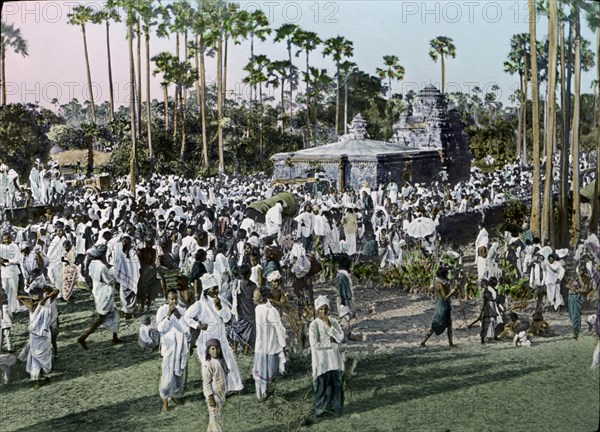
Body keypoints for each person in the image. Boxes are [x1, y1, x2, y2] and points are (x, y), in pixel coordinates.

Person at [184, 273, 244, 393]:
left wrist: (219, 307)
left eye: (217, 288)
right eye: (213, 289)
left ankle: (231, 386)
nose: (216, 291)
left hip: (220, 335)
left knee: (226, 359)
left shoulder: (221, 300)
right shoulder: (200, 305)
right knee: (212, 362)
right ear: (207, 291)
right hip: (207, 336)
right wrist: (198, 325)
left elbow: (227, 318)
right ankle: (215, 388)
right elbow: (187, 316)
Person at [77, 244, 124, 350]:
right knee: (100, 319)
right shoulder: (102, 267)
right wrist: (114, 278)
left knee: (115, 314)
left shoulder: (93, 264)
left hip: (98, 292)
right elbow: (109, 280)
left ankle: (115, 337)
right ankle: (83, 337)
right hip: (104, 294)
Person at [309, 295, 344, 417]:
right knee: (322, 384)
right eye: (321, 309)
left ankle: (336, 408)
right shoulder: (314, 325)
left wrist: (330, 329)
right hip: (321, 360)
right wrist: (330, 343)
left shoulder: (333, 321)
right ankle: (320, 409)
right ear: (317, 310)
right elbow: (315, 344)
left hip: (333, 358)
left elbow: (340, 338)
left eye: (325, 309)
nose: (323, 312)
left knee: (336, 383)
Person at [17, 286, 59, 389]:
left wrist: (40, 298)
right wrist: (43, 298)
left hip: (38, 335)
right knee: (42, 357)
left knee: (35, 357)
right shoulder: (36, 304)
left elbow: (18, 297)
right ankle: (43, 377)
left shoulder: (35, 304)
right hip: (41, 334)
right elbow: (56, 291)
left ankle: (35, 378)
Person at [157, 289, 190, 413]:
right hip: (169, 347)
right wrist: (168, 316)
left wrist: (178, 316)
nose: (173, 301)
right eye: (171, 299)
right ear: (166, 299)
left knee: (179, 375)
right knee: (167, 374)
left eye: (175, 298)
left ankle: (175, 395)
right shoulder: (162, 310)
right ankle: (165, 399)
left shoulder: (181, 310)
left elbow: (186, 328)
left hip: (180, 347)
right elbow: (161, 329)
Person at [252, 287, 286, 401]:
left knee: (271, 371)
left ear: (262, 298)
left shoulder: (271, 310)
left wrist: (282, 344)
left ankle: (269, 392)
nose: (253, 299)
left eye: (255, 297)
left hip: (271, 345)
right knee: (260, 370)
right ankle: (260, 394)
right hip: (260, 345)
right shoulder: (257, 308)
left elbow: (278, 327)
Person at [420, 266, 456, 347]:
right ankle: (423, 341)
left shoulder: (438, 282)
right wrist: (452, 292)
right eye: (446, 274)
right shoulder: (440, 285)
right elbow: (445, 297)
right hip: (442, 305)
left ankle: (451, 343)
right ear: (444, 275)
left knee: (448, 324)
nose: (448, 275)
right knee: (437, 324)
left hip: (441, 304)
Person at [202, 338, 227, 432]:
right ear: (208, 351)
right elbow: (206, 382)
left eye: (217, 348)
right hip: (213, 395)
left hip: (220, 392)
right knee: (215, 416)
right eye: (212, 349)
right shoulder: (209, 364)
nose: (215, 351)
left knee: (216, 416)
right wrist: (210, 397)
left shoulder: (221, 361)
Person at [566, 267, 590, 340]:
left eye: (581, 270)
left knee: (576, 315)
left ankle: (576, 331)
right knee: (571, 314)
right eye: (579, 270)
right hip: (570, 297)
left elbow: (585, 290)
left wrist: (578, 290)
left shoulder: (586, 279)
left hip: (578, 298)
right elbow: (567, 285)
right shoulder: (574, 277)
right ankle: (574, 329)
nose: (580, 272)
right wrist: (571, 288)